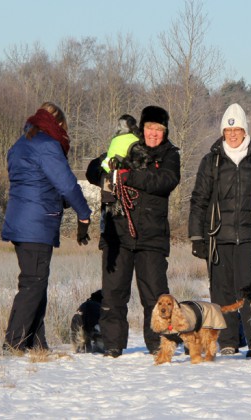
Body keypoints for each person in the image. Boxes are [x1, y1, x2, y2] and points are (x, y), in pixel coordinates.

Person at [188, 103, 251, 358]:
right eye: (228, 130)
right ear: (222, 132)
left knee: (249, 291)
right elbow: (199, 199)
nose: (232, 134)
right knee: (221, 291)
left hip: (250, 237)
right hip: (217, 238)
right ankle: (228, 340)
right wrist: (197, 236)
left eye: (237, 129)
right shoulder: (211, 161)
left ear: (244, 130)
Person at [2, 102, 92, 352]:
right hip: (36, 223)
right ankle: (14, 344)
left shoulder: (20, 145)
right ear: (57, 123)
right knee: (33, 284)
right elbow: (68, 185)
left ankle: (36, 343)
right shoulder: (47, 145)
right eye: (64, 127)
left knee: (33, 282)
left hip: (20, 221)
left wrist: (58, 200)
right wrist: (84, 214)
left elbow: (36, 182)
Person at [96, 105, 181, 358]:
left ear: (165, 132)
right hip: (118, 235)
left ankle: (158, 344)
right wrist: (102, 173)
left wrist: (129, 177)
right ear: (141, 129)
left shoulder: (170, 155)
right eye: (149, 128)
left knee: (155, 295)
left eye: (158, 129)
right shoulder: (124, 148)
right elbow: (99, 169)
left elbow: (166, 181)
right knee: (113, 293)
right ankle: (112, 344)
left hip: (152, 238)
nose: (153, 133)